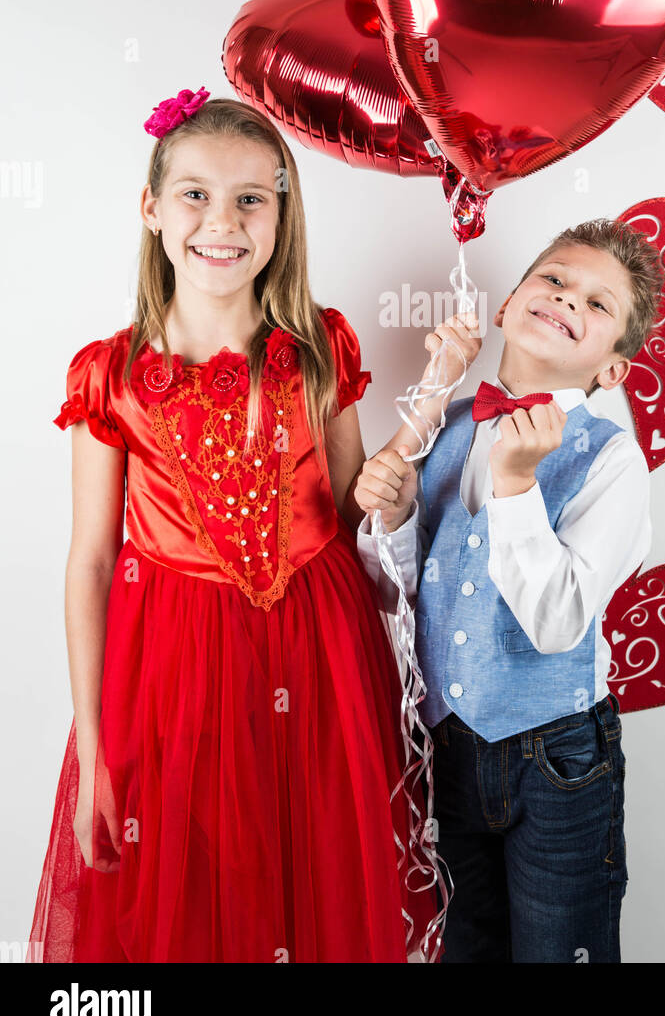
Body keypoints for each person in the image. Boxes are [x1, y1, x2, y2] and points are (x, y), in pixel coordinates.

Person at [28, 89, 437, 963]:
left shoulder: (320, 347)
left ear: (283, 215)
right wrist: (95, 742)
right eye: (196, 195)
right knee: (192, 880)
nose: (224, 221)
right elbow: (92, 562)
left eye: (252, 197)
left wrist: (406, 471)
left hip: (321, 652)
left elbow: (359, 508)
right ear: (152, 209)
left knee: (314, 861)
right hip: (171, 660)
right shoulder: (113, 374)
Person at [354, 219, 665, 962]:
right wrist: (391, 520)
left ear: (612, 371)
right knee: (465, 946)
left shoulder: (614, 461)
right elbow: (402, 590)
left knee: (561, 949)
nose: (566, 299)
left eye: (597, 304)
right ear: (506, 305)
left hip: (559, 758)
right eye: (553, 279)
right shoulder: (453, 426)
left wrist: (518, 485)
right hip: (447, 744)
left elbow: (557, 620)